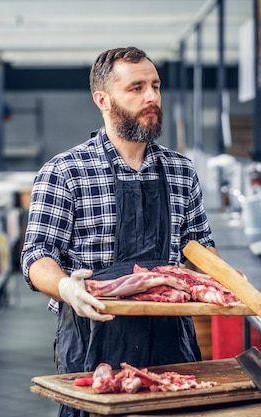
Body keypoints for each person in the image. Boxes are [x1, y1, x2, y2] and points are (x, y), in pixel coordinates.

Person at [20, 46, 216, 417]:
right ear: (103, 99)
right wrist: (65, 287)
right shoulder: (65, 171)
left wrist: (224, 283)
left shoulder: (181, 170)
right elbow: (36, 254)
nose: (152, 97)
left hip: (172, 342)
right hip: (94, 343)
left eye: (155, 86)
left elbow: (200, 249)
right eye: (137, 88)